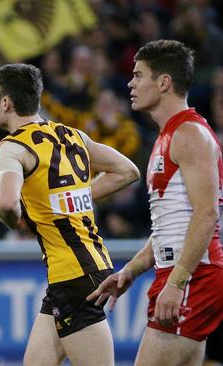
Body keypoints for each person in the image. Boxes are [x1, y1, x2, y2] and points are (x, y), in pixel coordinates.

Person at [0, 63, 139, 366]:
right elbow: (127, 170)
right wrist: (74, 196)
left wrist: (15, 220)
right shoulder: (72, 135)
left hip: (75, 276)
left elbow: (6, 203)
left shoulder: (12, 147)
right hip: (76, 271)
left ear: (6, 102)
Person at [88, 39, 223, 365]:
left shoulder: (189, 135)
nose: (130, 83)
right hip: (185, 274)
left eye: (138, 75)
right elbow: (171, 225)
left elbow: (206, 215)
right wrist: (131, 271)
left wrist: (178, 282)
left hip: (195, 276)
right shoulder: (168, 136)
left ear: (164, 82)